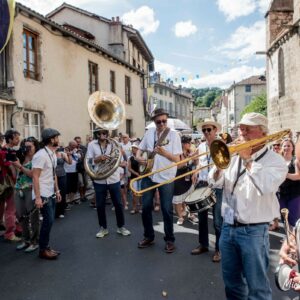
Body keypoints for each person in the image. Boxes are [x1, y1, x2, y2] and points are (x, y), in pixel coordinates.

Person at [208, 112, 288, 299]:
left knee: (257, 288)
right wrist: (220, 165)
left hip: (253, 232)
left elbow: (266, 185)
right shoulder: (233, 156)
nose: (242, 133)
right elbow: (214, 182)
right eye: (241, 129)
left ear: (262, 133)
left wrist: (248, 159)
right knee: (232, 284)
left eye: (247, 130)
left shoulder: (275, 161)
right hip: (228, 228)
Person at [136, 108, 182, 253]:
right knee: (146, 208)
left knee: (167, 210)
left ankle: (169, 240)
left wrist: (165, 153)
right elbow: (139, 149)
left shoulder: (174, 135)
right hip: (149, 175)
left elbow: (178, 160)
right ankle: (149, 236)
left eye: (164, 121)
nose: (162, 123)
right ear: (154, 122)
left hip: (166, 177)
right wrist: (138, 157)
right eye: (158, 121)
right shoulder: (149, 133)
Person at [86, 127, 130, 238]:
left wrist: (122, 164)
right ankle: (103, 228)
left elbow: (117, 159)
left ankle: (121, 227)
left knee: (118, 204)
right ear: (96, 134)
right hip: (99, 179)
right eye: (100, 133)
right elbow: (88, 161)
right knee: (100, 205)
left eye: (104, 132)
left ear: (107, 133)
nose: (102, 135)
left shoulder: (114, 144)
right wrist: (98, 159)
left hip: (114, 179)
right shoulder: (92, 145)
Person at [191, 118, 222, 263]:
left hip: (217, 185)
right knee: (202, 218)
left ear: (215, 130)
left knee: (217, 220)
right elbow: (199, 162)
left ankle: (219, 249)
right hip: (203, 184)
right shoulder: (201, 146)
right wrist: (195, 171)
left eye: (209, 129)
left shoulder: (222, 145)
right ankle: (203, 244)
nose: (206, 132)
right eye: (204, 130)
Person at [32, 128, 62, 260]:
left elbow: (53, 174)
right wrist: (38, 197)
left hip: (50, 192)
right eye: (56, 137)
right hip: (43, 194)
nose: (58, 140)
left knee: (49, 222)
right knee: (48, 221)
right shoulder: (40, 155)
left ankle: (46, 247)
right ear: (51, 139)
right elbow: (35, 177)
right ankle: (43, 250)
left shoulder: (52, 154)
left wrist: (57, 190)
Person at [14, 137, 40, 252]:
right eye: (25, 146)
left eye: (30, 146)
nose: (28, 148)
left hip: (30, 190)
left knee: (33, 216)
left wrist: (20, 166)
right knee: (21, 216)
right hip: (18, 189)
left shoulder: (37, 159)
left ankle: (35, 242)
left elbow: (32, 175)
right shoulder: (21, 158)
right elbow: (16, 174)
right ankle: (25, 240)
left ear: (35, 147)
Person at [0, 129, 21, 242]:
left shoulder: (9, 151)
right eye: (16, 138)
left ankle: (13, 229)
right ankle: (10, 234)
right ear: (10, 139)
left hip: (7, 184)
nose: (18, 140)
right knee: (11, 208)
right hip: (8, 184)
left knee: (9, 207)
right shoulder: (5, 151)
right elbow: (11, 169)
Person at [172, 135, 198, 225]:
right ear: (183, 144)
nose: (190, 144)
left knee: (191, 198)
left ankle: (192, 214)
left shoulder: (190, 151)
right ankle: (180, 217)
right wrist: (190, 158)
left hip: (188, 177)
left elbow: (195, 163)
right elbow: (178, 165)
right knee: (178, 199)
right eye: (188, 142)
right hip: (178, 178)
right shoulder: (178, 153)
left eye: (190, 142)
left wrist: (195, 159)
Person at [277, 138, 300, 227]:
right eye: (284, 146)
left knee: (293, 219)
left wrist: (285, 175)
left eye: (289, 146)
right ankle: (288, 237)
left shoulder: (296, 160)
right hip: (281, 194)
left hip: (294, 194)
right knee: (284, 218)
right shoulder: (278, 160)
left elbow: (298, 176)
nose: (286, 148)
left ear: (293, 148)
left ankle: (294, 239)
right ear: (282, 147)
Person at [55, 145, 72, 218]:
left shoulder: (62, 154)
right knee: (54, 193)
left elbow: (69, 162)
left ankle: (62, 211)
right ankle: (55, 211)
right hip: (53, 176)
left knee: (62, 192)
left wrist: (69, 155)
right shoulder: (50, 154)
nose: (56, 148)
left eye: (57, 147)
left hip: (62, 175)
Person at [128, 144, 142, 214]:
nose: (133, 149)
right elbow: (129, 168)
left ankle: (140, 208)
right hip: (134, 178)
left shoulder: (141, 157)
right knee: (134, 193)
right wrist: (136, 173)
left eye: (135, 148)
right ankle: (134, 208)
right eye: (132, 148)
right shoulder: (130, 158)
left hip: (141, 177)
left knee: (141, 193)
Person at [74, 136, 88, 203]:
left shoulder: (84, 148)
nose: (78, 143)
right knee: (81, 183)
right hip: (77, 168)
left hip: (84, 168)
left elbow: (87, 157)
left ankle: (84, 195)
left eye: (79, 142)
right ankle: (81, 196)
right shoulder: (73, 148)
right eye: (77, 142)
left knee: (86, 183)